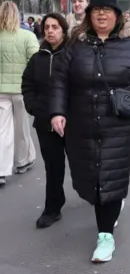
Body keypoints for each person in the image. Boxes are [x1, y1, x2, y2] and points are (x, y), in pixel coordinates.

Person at [49, 0, 130, 262]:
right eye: (96, 11)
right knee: (89, 175)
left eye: (107, 11)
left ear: (117, 15)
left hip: (120, 125)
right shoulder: (75, 45)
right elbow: (59, 82)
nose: (101, 15)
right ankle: (109, 206)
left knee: (111, 174)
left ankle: (105, 236)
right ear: (89, 15)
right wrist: (57, 112)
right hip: (82, 123)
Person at [21, 13, 69, 227]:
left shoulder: (73, 54)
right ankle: (53, 207)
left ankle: (99, 200)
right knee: (53, 166)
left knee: (83, 165)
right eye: (47, 27)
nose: (50, 31)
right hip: (44, 123)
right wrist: (34, 107)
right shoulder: (37, 58)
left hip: (72, 122)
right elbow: (27, 84)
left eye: (55, 27)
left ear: (63, 30)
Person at [0, 1, 40, 187]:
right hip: (21, 90)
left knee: (2, 130)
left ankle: (1, 169)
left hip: (1, 90)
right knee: (22, 128)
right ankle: (23, 160)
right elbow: (35, 62)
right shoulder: (27, 36)